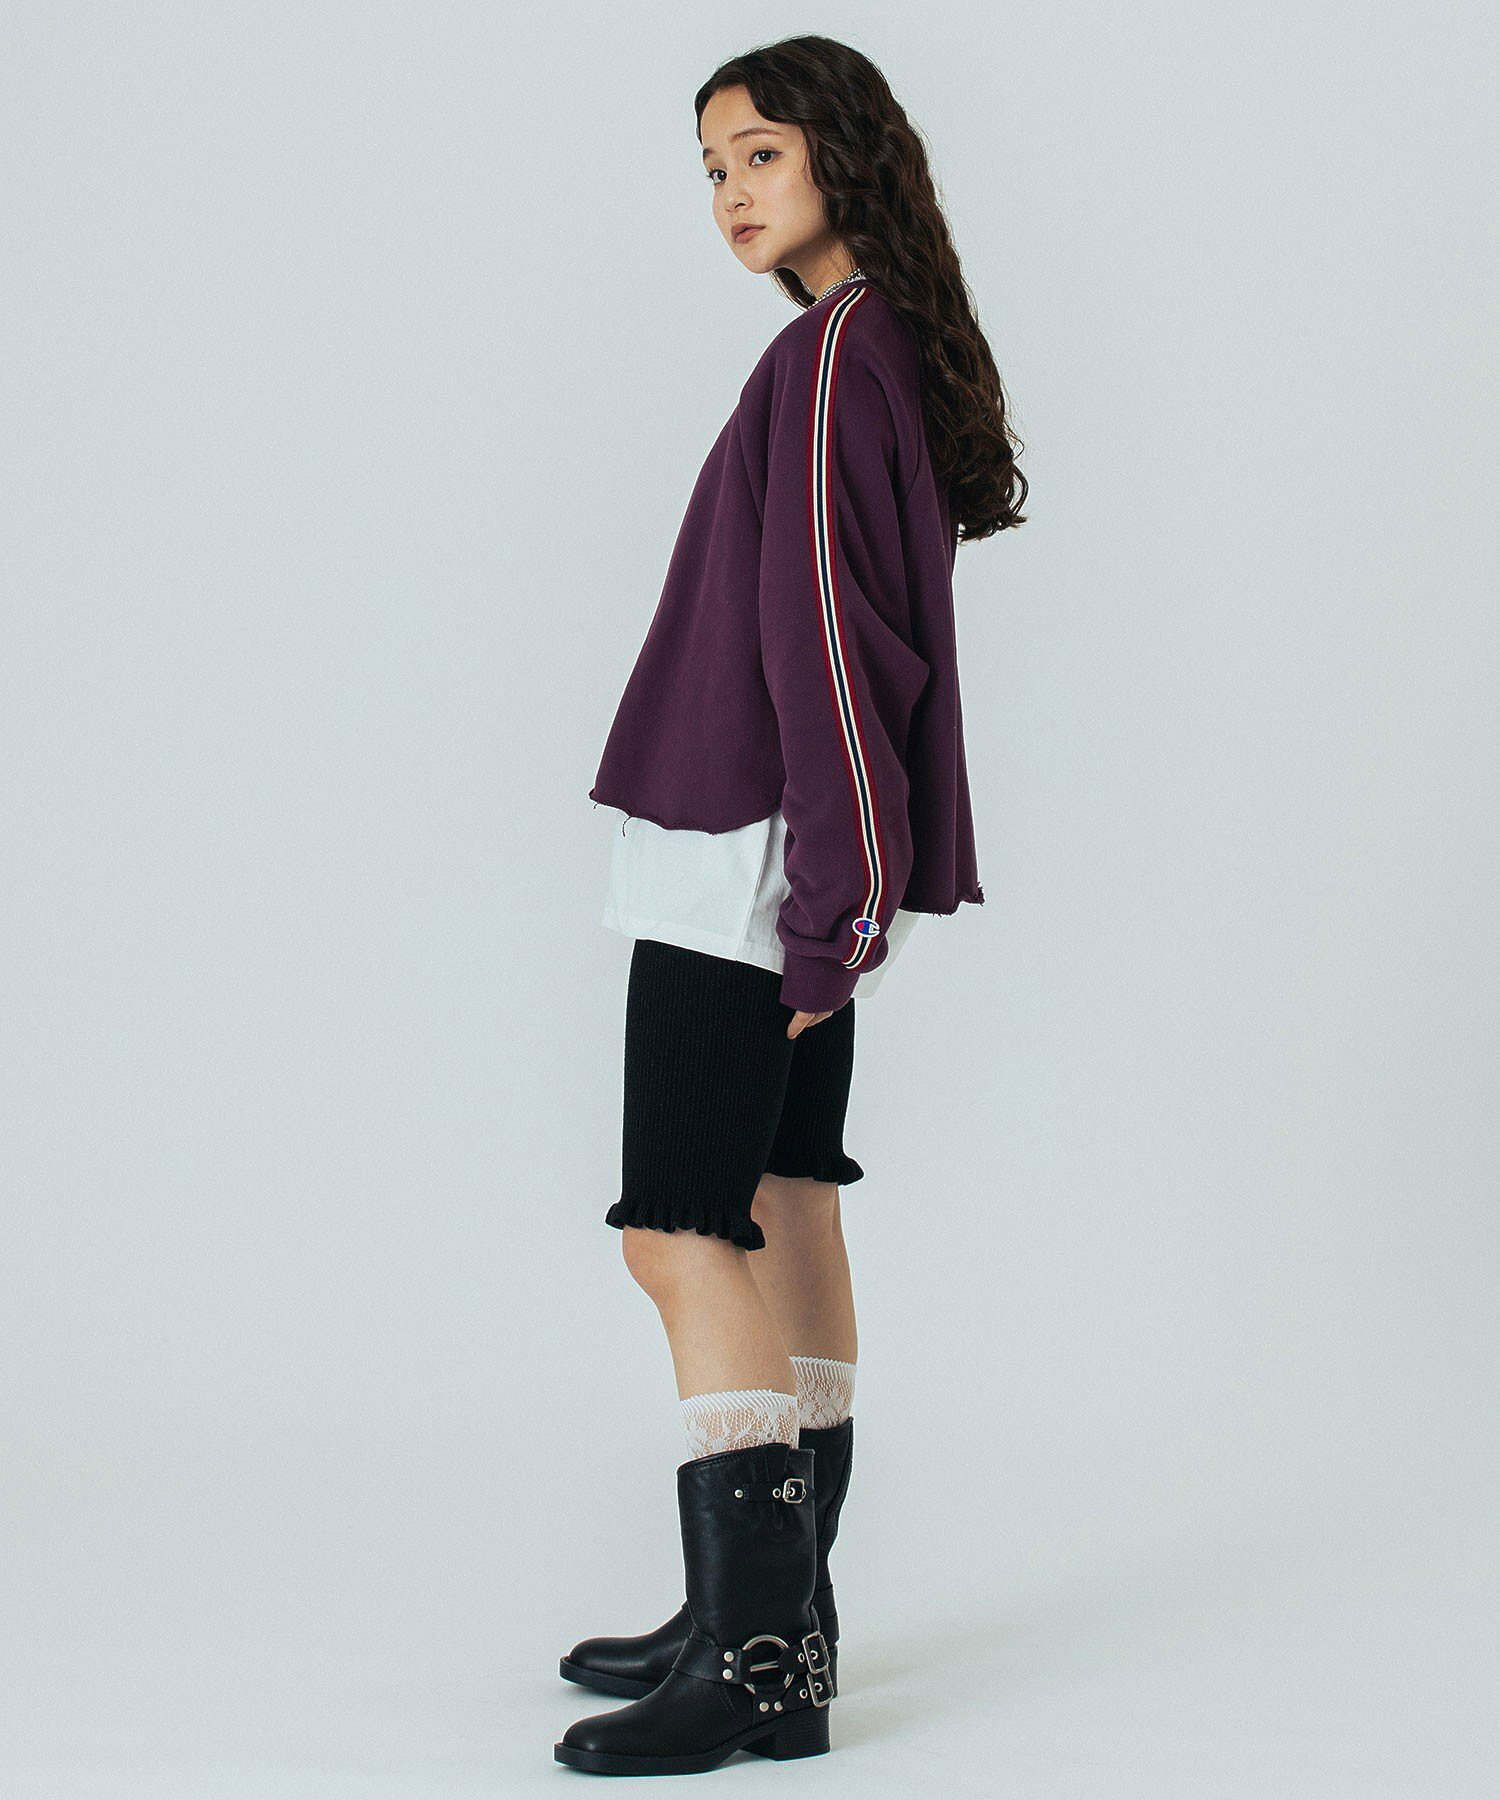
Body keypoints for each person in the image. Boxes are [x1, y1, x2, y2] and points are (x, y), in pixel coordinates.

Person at [554, 33, 1027, 1777]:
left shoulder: (829, 362)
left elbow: (831, 645)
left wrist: (833, 898)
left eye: (758, 153)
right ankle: (771, 1619)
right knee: (781, 1194)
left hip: (752, 855)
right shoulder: (867, 344)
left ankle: (758, 1665)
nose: (730, 193)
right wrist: (852, 891)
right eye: (712, 168)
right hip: (804, 859)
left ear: (844, 153)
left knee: (677, 1229)